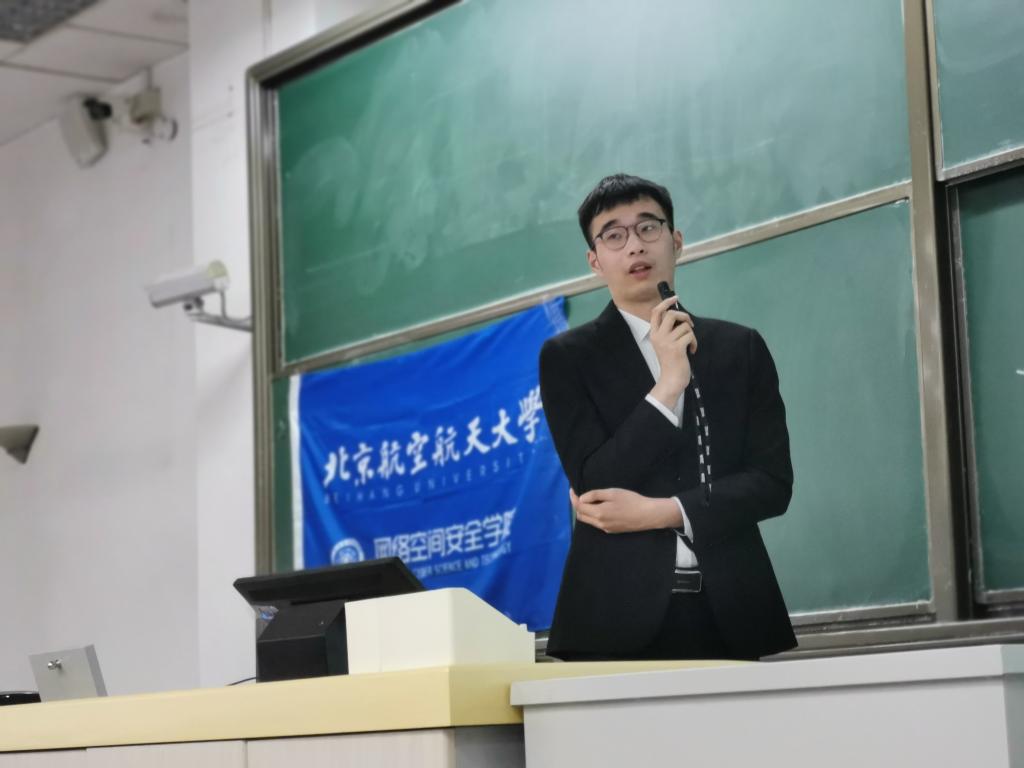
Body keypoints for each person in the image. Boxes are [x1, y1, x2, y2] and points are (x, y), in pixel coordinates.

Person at [539, 173, 796, 661]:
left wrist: (664, 511)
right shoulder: (567, 358)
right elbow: (596, 482)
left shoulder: (739, 348)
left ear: (676, 241)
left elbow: (771, 483)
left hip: (732, 611)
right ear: (595, 261)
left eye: (648, 227)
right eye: (614, 235)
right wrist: (667, 386)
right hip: (613, 618)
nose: (635, 245)